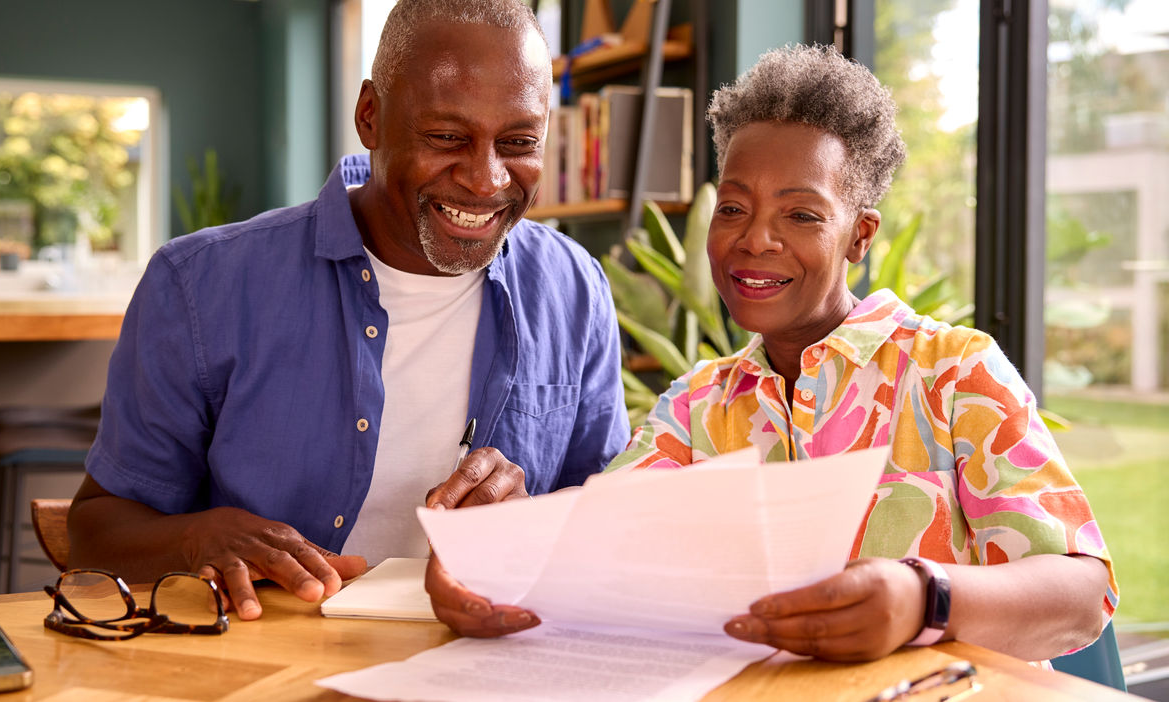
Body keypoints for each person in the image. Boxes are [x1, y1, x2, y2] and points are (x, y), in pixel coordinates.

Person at [428, 44, 1117, 663]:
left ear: (860, 236)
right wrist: (501, 556)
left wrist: (924, 599)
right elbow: (602, 554)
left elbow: (1083, 594)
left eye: (802, 214)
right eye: (733, 208)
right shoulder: (699, 405)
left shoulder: (954, 373)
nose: (755, 240)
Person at [67, 0, 629, 622]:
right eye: (447, 137)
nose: (485, 178)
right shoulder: (200, 284)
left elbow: (608, 514)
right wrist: (200, 536)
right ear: (370, 116)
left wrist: (534, 526)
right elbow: (96, 531)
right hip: (263, 661)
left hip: (487, 659)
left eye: (519, 143)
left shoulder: (575, 286)